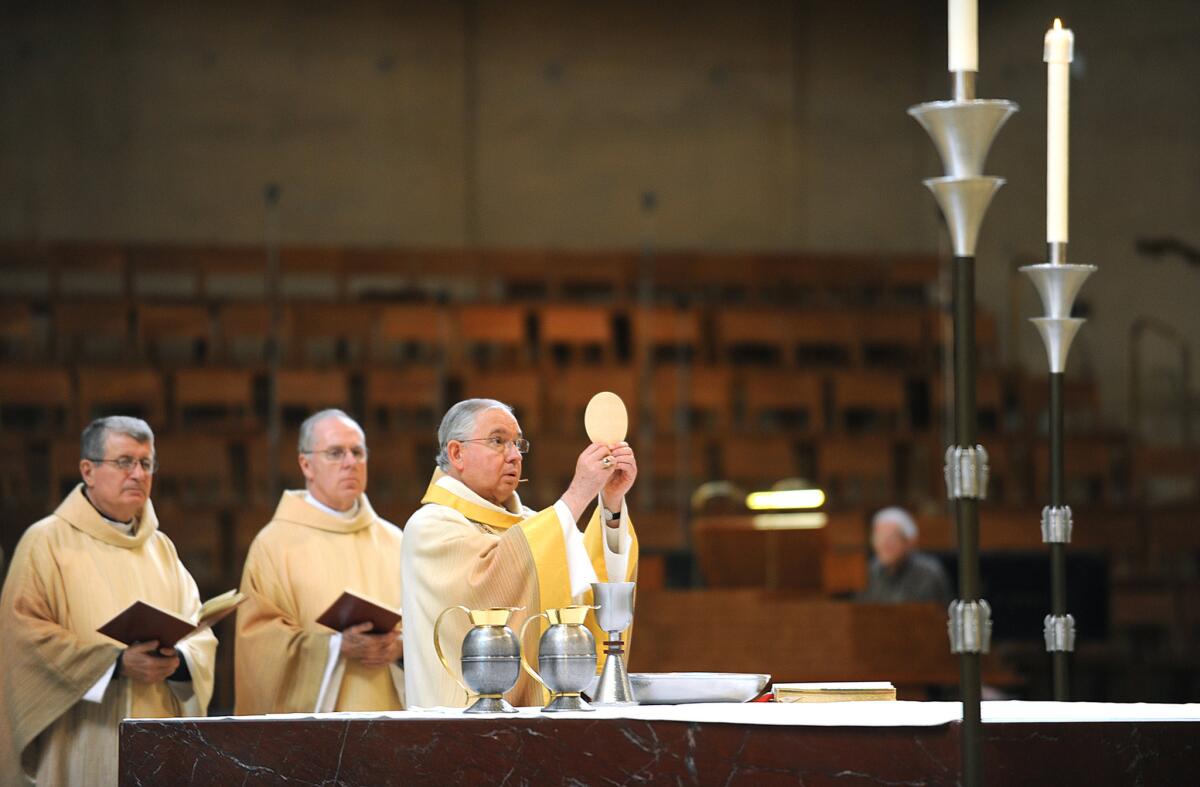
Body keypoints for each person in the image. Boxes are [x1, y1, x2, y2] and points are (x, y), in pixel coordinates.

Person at [0, 416, 217, 786]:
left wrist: (179, 662)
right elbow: (22, 639)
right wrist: (114, 664)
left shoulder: (161, 548)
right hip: (81, 737)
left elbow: (199, 632)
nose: (137, 473)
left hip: (158, 737)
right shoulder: (46, 542)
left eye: (146, 463)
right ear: (88, 470)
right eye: (124, 462)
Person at [402, 398, 639, 709]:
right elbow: (489, 588)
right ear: (457, 453)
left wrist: (610, 501)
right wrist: (579, 492)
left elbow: (589, 583)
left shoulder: (532, 524)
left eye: (518, 444)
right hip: (456, 725)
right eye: (498, 441)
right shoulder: (431, 525)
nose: (514, 456)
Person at [235, 409, 404, 714]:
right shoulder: (274, 544)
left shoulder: (395, 541)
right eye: (336, 453)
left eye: (357, 452)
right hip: (316, 729)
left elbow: (426, 625)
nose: (350, 463)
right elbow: (259, 647)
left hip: (390, 717)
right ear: (306, 465)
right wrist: (335, 648)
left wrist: (402, 647)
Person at [860, 506, 952, 603]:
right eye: (879, 537)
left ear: (909, 541)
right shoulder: (869, 572)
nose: (884, 543)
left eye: (892, 537)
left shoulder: (929, 573)